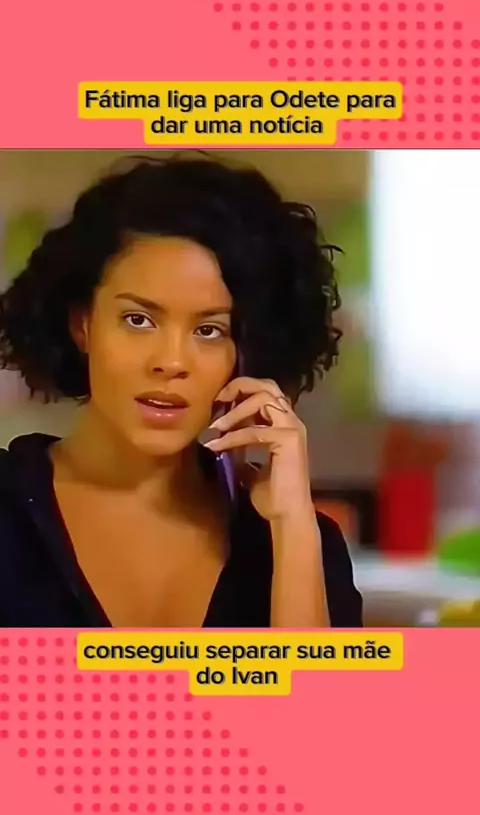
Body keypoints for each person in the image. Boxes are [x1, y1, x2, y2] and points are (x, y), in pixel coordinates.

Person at [0, 155, 363, 629]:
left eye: (210, 330)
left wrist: (293, 530)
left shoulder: (298, 541)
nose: (171, 362)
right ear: (82, 325)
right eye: (138, 320)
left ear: (247, 352)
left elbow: (312, 684)